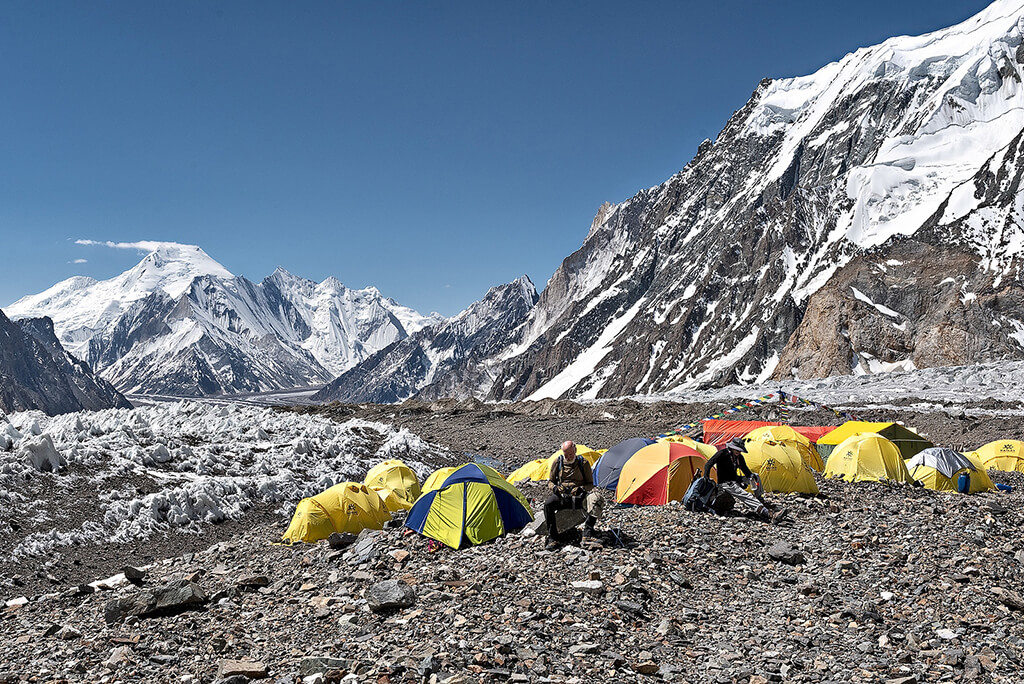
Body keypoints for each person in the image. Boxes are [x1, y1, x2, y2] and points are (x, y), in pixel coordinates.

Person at [704, 438, 785, 522]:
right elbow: (708, 464)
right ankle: (767, 513)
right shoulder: (722, 454)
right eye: (737, 450)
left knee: (755, 476)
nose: (738, 452)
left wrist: (750, 477)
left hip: (735, 479)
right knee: (746, 495)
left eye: (740, 450)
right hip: (726, 483)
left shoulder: (739, 457)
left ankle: (759, 498)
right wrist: (706, 477)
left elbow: (745, 469)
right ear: (732, 448)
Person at [543, 441, 603, 548]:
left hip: (579, 497)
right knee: (548, 504)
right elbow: (550, 482)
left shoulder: (583, 463)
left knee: (596, 498)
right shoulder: (558, 462)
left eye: (571, 454)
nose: (569, 457)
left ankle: (587, 534)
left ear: (575, 450)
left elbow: (590, 484)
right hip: (563, 497)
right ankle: (552, 537)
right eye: (566, 455)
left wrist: (582, 489)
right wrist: (555, 488)